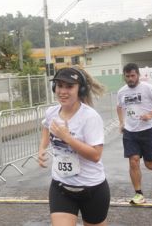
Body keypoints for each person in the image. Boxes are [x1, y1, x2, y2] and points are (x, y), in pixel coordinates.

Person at [38, 67, 110, 226]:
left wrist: (67, 138)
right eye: (59, 86)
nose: (62, 91)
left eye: (69, 86)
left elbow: (95, 155)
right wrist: (42, 148)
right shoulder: (51, 113)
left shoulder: (90, 117)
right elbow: (46, 127)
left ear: (80, 89)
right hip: (61, 186)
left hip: (92, 188)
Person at [117, 63, 152, 204]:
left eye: (132, 76)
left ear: (138, 75)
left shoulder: (148, 88)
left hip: (148, 131)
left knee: (149, 163)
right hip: (130, 132)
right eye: (127, 76)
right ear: (124, 77)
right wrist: (121, 122)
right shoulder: (122, 92)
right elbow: (119, 107)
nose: (130, 79)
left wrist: (150, 114)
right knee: (133, 161)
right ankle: (139, 194)